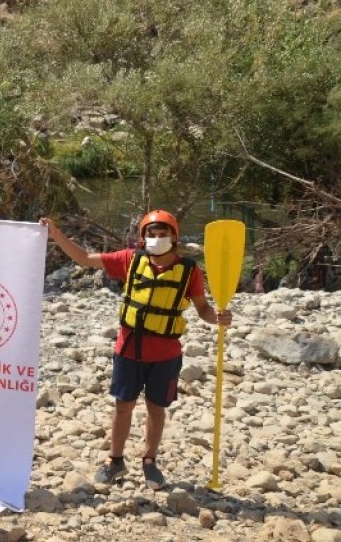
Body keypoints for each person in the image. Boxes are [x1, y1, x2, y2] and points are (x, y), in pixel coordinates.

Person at [41, 210, 232, 490]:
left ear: (174, 237)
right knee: (123, 406)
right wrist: (56, 234)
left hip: (165, 355)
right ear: (143, 238)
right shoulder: (130, 259)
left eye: (163, 234)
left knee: (156, 409)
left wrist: (217, 318)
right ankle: (115, 461)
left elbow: (202, 308)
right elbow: (84, 258)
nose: (157, 238)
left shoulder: (190, 270)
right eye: (151, 234)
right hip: (129, 351)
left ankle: (149, 461)